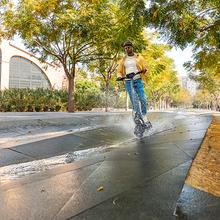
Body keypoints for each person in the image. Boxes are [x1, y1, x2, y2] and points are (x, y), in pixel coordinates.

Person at [117, 40, 149, 122]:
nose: (127, 49)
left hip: (138, 80)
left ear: (132, 48)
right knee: (134, 100)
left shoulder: (139, 57)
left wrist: (144, 70)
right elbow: (119, 71)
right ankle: (138, 117)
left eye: (128, 47)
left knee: (143, 99)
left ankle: (144, 115)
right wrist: (120, 77)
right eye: (125, 48)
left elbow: (145, 67)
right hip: (128, 82)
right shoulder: (123, 60)